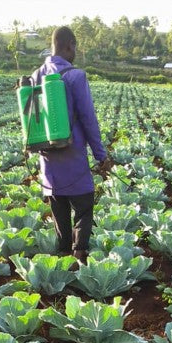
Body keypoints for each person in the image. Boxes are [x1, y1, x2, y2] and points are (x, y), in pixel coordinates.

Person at [31, 26, 112, 263]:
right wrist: (101, 155)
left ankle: (64, 256)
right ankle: (80, 254)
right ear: (70, 45)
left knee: (60, 212)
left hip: (48, 160)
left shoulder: (36, 75)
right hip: (73, 158)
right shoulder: (75, 76)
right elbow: (88, 119)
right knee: (84, 208)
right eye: (75, 47)